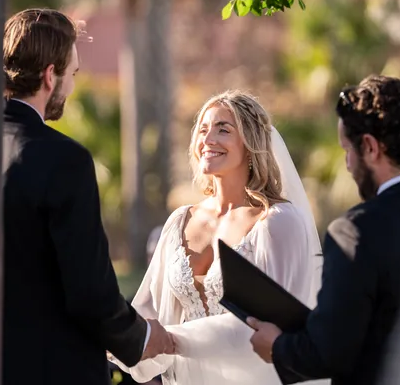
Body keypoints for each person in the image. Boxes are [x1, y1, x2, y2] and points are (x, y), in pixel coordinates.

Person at [0, 8, 173, 385]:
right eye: (73, 74)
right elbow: (90, 295)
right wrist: (143, 337)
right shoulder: (65, 161)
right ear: (50, 76)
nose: (71, 86)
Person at [113, 91, 326, 385]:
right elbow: (146, 311)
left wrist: (172, 339)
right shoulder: (180, 221)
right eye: (202, 129)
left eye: (223, 129)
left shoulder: (278, 222)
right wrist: (106, 334)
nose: (208, 139)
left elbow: (279, 327)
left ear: (251, 144)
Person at [247, 75, 400, 385]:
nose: (348, 164)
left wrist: (278, 346)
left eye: (347, 150)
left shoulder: (357, 231)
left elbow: (329, 350)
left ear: (371, 147)